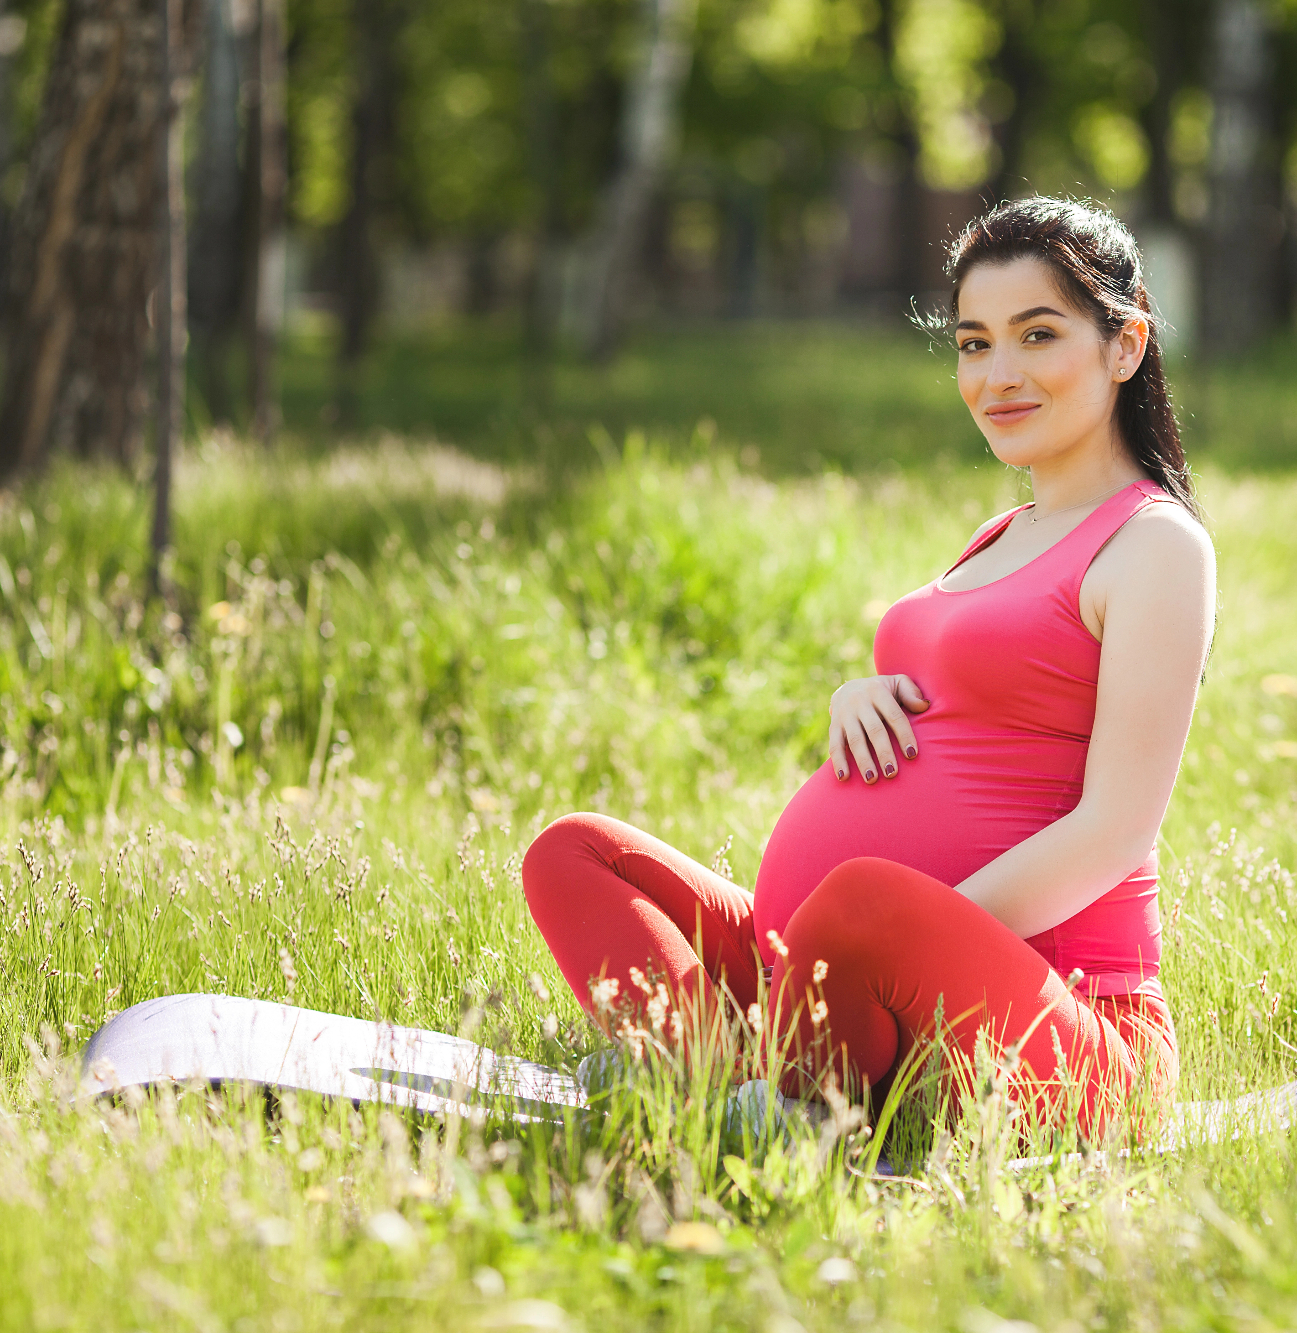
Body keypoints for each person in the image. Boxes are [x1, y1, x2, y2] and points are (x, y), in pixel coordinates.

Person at [521, 196, 1217, 1139]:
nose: (997, 375)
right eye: (974, 344)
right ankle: (735, 1071)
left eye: (1038, 335)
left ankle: (711, 1072)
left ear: (1125, 344)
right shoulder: (1003, 533)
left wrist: (898, 937)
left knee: (862, 895)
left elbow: (1114, 830)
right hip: (829, 965)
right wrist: (860, 691)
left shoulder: (1154, 545)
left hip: (1062, 1026)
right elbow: (971, 699)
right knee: (576, 849)